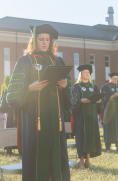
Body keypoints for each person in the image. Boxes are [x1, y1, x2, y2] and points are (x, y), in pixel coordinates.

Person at [7, 24, 71, 181]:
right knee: (36, 156)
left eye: (47, 40)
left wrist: (64, 86)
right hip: (34, 121)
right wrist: (30, 88)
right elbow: (12, 94)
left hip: (56, 121)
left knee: (56, 156)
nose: (44, 42)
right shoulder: (25, 61)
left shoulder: (58, 61)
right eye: (41, 39)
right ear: (34, 40)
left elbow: (68, 97)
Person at [71, 64, 102, 169]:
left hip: (91, 117)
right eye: (85, 72)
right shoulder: (77, 86)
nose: (87, 74)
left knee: (89, 138)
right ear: (80, 74)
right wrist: (80, 100)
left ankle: (88, 161)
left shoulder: (94, 87)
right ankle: (81, 162)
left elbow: (99, 101)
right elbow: (73, 101)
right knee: (81, 137)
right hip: (81, 117)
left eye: (88, 72)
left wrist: (99, 101)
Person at [101, 72, 118, 152]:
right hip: (109, 111)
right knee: (109, 128)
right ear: (110, 78)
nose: (116, 80)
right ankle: (108, 148)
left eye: (117, 79)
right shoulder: (105, 87)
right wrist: (113, 96)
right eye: (114, 78)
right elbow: (103, 99)